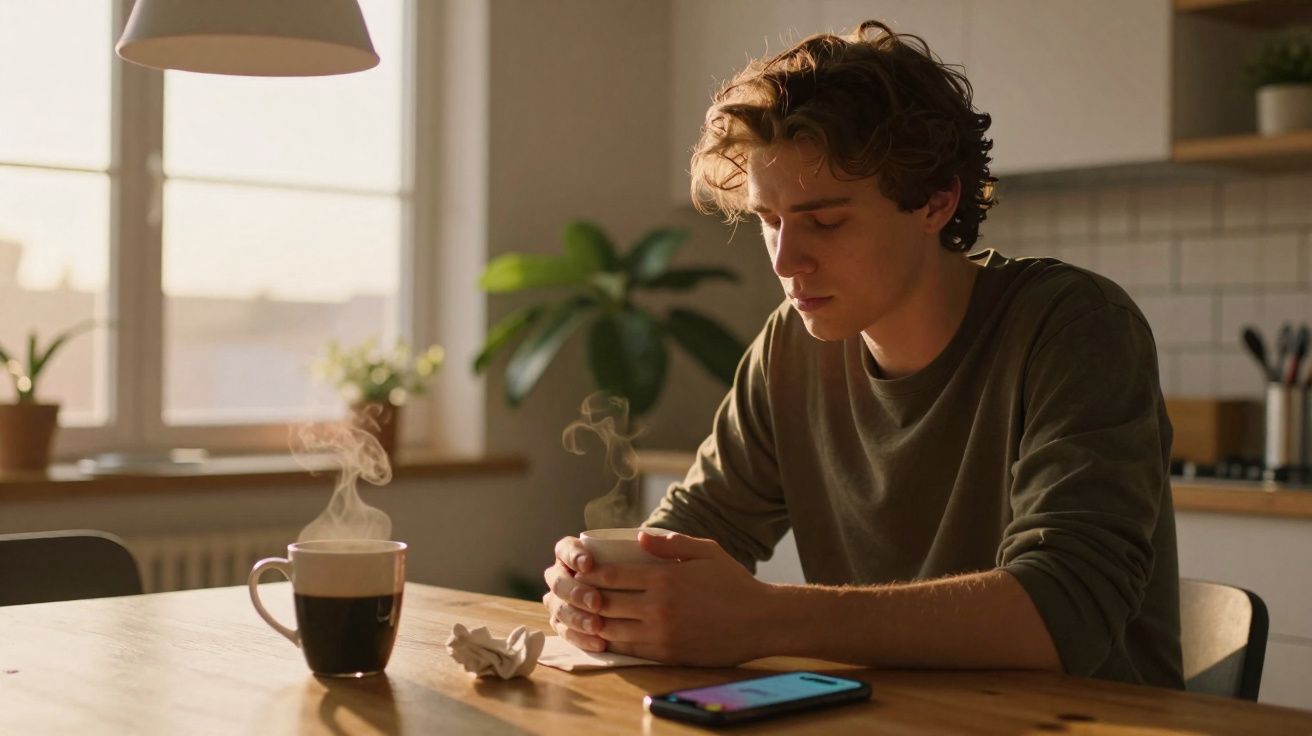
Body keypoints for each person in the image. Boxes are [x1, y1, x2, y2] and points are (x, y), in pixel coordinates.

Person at [542, 20, 1183, 688]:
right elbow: (690, 534)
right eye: (768, 221)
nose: (787, 261)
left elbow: (1062, 610)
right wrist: (606, 591)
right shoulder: (789, 348)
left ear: (936, 202)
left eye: (826, 221)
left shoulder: (1073, 327)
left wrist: (766, 618)